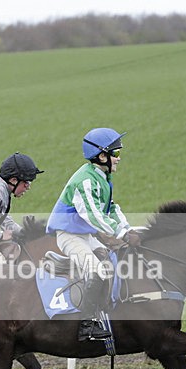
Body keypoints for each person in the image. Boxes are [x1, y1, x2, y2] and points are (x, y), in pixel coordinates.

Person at [46, 128, 141, 341]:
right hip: (69, 235)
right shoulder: (86, 180)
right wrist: (122, 234)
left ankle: (106, 311)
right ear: (101, 156)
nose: (119, 159)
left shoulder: (102, 177)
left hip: (84, 235)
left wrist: (127, 229)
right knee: (96, 270)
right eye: (115, 154)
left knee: (112, 262)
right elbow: (95, 215)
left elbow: (111, 208)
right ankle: (86, 326)